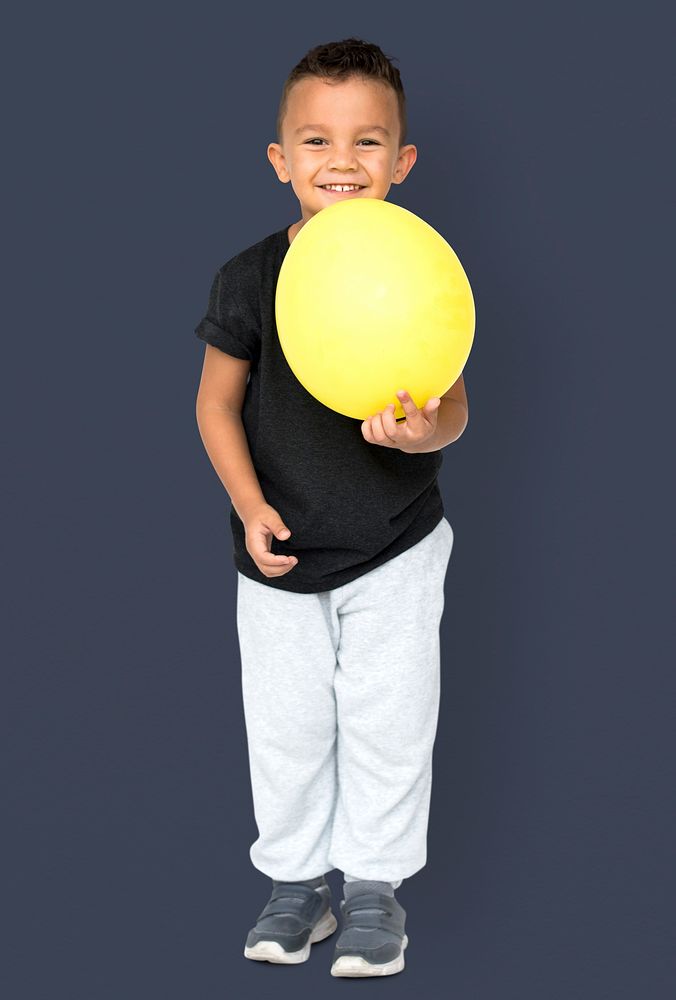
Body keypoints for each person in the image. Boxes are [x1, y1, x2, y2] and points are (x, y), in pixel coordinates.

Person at [193, 37, 469, 978]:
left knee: (390, 722)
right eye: (316, 140)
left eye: (367, 143)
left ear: (402, 162)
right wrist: (248, 503)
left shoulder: (416, 271)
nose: (341, 162)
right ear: (281, 160)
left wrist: (420, 435)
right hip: (278, 553)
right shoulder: (247, 277)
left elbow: (454, 406)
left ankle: (375, 891)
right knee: (287, 726)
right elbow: (215, 403)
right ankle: (297, 882)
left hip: (394, 549)